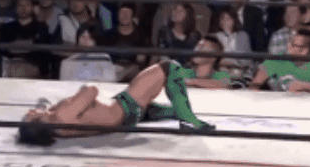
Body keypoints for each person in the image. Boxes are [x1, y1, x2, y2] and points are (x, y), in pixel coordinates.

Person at [19, 57, 215, 145]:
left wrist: (48, 109)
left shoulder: (58, 126)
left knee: (162, 110)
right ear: (38, 122)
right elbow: (91, 90)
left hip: (122, 117)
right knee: (170, 67)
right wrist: (76, 96)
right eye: (30, 115)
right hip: (126, 107)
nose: (30, 111)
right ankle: (190, 120)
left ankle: (175, 113)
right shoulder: (63, 115)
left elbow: (54, 109)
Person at [248, 28, 310, 92]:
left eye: (294, 45)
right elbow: (254, 85)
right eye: (289, 42)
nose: (289, 47)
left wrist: (305, 87)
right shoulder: (276, 59)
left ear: (305, 50)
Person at [211, 7, 253, 75]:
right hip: (222, 71)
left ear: (234, 20)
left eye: (228, 19)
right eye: (222, 19)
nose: (225, 22)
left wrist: (229, 63)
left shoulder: (242, 35)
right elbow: (215, 60)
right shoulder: (216, 36)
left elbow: (244, 61)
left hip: (241, 71)